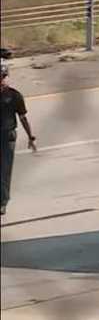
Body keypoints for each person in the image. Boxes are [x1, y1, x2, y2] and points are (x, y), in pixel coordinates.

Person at [1, 63, 36, 215]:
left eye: (2, 77)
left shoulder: (14, 95)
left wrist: (30, 137)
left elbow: (22, 117)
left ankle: (2, 202)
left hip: (7, 136)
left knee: (4, 171)